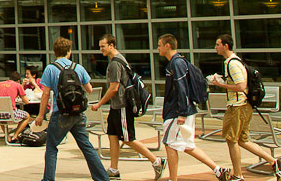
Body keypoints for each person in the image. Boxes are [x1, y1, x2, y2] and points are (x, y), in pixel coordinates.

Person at [92, 34, 166, 181]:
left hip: (122, 106)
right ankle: (114, 169)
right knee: (112, 135)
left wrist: (99, 103)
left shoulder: (115, 63)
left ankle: (156, 161)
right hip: (116, 106)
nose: (101, 49)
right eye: (100, 46)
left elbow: (114, 88)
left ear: (111, 45)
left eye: (103, 46)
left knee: (128, 138)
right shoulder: (120, 59)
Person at [157, 33, 231, 181]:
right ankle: (218, 170)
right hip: (186, 109)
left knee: (169, 144)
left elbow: (181, 88)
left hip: (178, 111)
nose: (157, 48)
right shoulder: (180, 62)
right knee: (187, 145)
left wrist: (182, 113)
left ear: (167, 46)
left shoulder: (176, 64)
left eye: (159, 45)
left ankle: (173, 179)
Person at [35, 37, 109, 181]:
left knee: (51, 147)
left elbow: (45, 94)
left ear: (55, 52)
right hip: (78, 114)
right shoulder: (78, 67)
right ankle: (102, 178)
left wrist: (40, 115)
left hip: (60, 113)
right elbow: (89, 89)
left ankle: (48, 179)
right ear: (69, 52)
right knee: (87, 147)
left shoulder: (51, 68)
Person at [212, 33, 281, 181]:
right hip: (243, 105)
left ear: (226, 46)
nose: (215, 47)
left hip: (238, 106)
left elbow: (241, 86)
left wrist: (220, 84)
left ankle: (238, 175)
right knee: (242, 139)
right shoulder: (235, 61)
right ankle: (274, 162)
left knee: (232, 140)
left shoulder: (232, 63)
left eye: (218, 44)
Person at [0, 71, 32, 141]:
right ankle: (15, 135)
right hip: (10, 114)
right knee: (27, 116)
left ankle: (7, 136)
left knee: (2, 118)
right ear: (18, 81)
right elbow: (26, 101)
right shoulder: (17, 85)